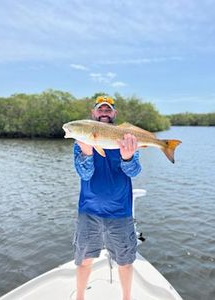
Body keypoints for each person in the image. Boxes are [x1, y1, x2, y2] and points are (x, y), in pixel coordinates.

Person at [73, 95, 142, 300]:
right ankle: (79, 297)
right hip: (89, 211)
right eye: (100, 109)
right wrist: (86, 152)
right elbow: (84, 174)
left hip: (120, 211)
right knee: (84, 259)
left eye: (108, 109)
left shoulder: (126, 136)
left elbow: (134, 171)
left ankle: (127, 298)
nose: (104, 112)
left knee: (125, 261)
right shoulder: (80, 141)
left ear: (114, 113)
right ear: (93, 113)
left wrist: (128, 156)